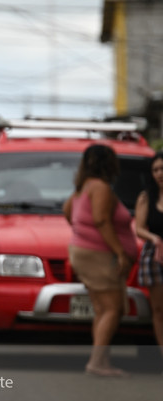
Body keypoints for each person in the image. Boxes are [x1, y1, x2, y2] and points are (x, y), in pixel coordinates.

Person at [64, 144, 137, 377]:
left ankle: (101, 359)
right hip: (99, 255)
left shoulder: (82, 188)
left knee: (101, 309)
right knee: (113, 309)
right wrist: (120, 252)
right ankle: (97, 362)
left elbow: (68, 212)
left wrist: (80, 234)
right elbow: (101, 220)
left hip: (85, 251)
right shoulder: (101, 188)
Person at [135, 151, 163, 359]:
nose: (160, 173)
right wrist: (154, 238)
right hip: (155, 255)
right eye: (155, 170)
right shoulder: (147, 197)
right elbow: (139, 228)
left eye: (162, 168)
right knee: (158, 308)